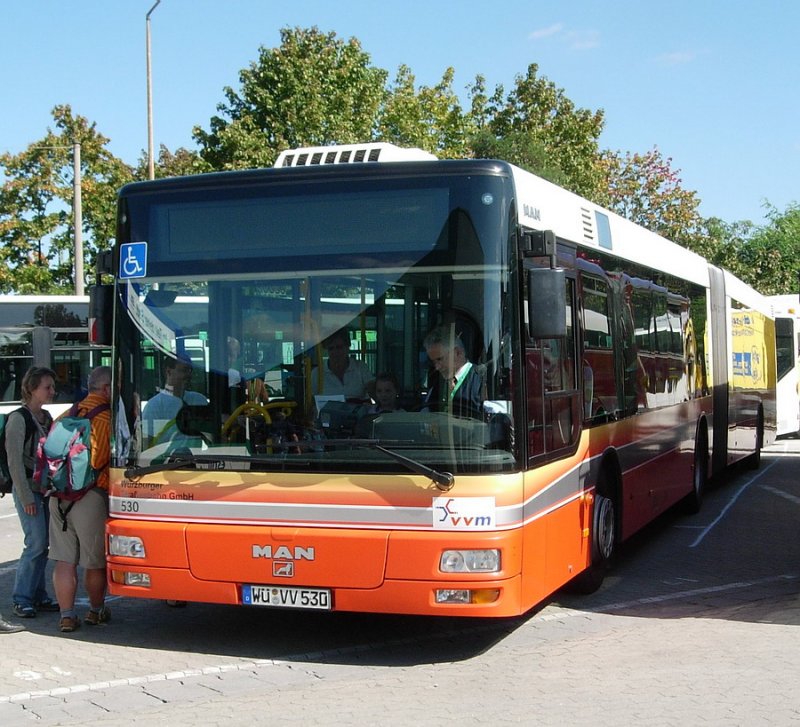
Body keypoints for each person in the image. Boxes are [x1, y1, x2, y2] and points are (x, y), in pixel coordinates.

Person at [48, 366, 112, 633]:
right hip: (90, 496)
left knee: (64, 560)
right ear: (107, 389)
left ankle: (66, 616)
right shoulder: (106, 418)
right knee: (94, 561)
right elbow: (98, 461)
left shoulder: (67, 414)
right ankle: (96, 612)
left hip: (59, 496)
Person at [7, 366, 59, 619]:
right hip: (29, 490)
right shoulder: (19, 418)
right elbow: (14, 462)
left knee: (44, 545)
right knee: (36, 542)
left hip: (44, 490)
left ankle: (38, 595)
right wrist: (26, 497)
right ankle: (22, 598)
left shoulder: (46, 418)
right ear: (31, 389)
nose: (52, 391)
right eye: (47, 387)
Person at [140, 355, 208, 448]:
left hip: (197, 461)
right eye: (184, 370)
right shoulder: (154, 406)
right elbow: (146, 445)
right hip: (167, 461)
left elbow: (211, 439)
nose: (189, 375)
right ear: (168, 371)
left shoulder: (199, 400)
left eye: (190, 371)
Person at [423, 324, 486, 420]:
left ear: (458, 353)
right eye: (433, 362)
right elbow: (424, 417)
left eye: (440, 359)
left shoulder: (481, 381)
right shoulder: (436, 386)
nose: (436, 367)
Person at [312, 329, 374, 401]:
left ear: (348, 347)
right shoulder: (317, 373)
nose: (335, 352)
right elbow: (312, 401)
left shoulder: (360, 367)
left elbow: (373, 391)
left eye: (339, 347)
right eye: (331, 348)